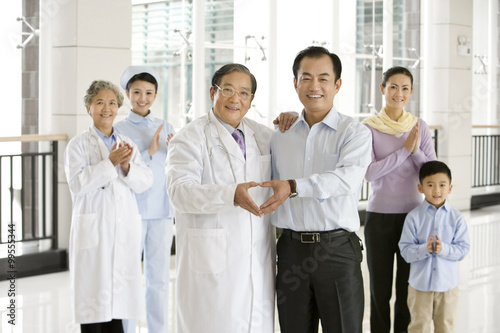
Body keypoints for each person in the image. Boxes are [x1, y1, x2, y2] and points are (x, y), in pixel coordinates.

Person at [165, 63, 295, 333]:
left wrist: (294, 120)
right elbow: (179, 192)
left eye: (244, 93)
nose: (235, 99)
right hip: (211, 262)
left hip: (256, 256)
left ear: (251, 100)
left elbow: (294, 152)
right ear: (213, 92)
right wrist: (230, 194)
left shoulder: (263, 135)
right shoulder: (189, 137)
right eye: (228, 90)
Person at [259, 46, 372, 333]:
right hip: (290, 251)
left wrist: (294, 187)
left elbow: (346, 180)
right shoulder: (280, 135)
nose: (314, 86)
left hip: (336, 251)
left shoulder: (354, 132)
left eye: (323, 78)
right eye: (305, 78)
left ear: (337, 85)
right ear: (295, 83)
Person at [64, 80, 153, 332]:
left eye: (112, 103)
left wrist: (126, 167)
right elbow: (77, 184)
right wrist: (110, 162)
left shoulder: (127, 143)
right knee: (93, 308)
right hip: (94, 231)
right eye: (100, 102)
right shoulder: (78, 145)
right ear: (89, 108)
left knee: (118, 310)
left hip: (121, 231)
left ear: (118, 108)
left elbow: (145, 181)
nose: (107, 108)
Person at [362, 66, 437, 333]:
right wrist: (405, 151)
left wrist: (414, 152)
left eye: (405, 88)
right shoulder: (368, 128)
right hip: (379, 218)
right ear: (382, 89)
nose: (399, 93)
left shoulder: (420, 127)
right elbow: (369, 173)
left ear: (411, 92)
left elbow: (431, 170)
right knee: (379, 291)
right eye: (393, 86)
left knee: (407, 289)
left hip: (413, 218)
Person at [114, 66, 175, 333]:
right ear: (127, 94)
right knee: (129, 277)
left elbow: (174, 169)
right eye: (137, 92)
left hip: (162, 211)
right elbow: (121, 170)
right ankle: (126, 329)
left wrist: (176, 152)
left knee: (159, 279)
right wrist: (149, 151)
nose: (143, 98)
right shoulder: (118, 129)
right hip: (132, 212)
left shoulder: (167, 127)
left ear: (156, 95)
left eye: (149, 93)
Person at [399, 161, 470, 333]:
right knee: (418, 327)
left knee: (445, 327)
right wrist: (425, 249)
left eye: (442, 185)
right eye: (430, 185)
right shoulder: (413, 217)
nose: (437, 190)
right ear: (420, 188)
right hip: (419, 286)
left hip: (448, 286)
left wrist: (443, 249)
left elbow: (463, 249)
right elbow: (405, 251)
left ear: (450, 188)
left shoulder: (457, 218)